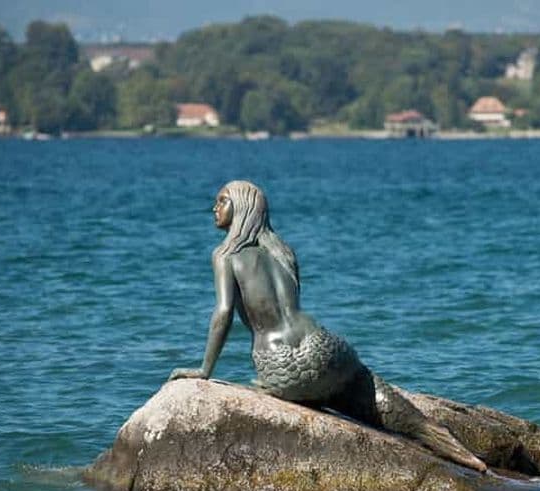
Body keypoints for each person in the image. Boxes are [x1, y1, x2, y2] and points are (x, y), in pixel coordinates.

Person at [169, 180, 487, 473]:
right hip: (325, 348)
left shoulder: (226, 255)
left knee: (314, 391)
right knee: (380, 402)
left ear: (243, 207)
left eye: (222, 201)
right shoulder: (282, 250)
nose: (214, 208)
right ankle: (457, 451)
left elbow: (223, 313)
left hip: (281, 365)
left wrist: (204, 370)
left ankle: (313, 394)